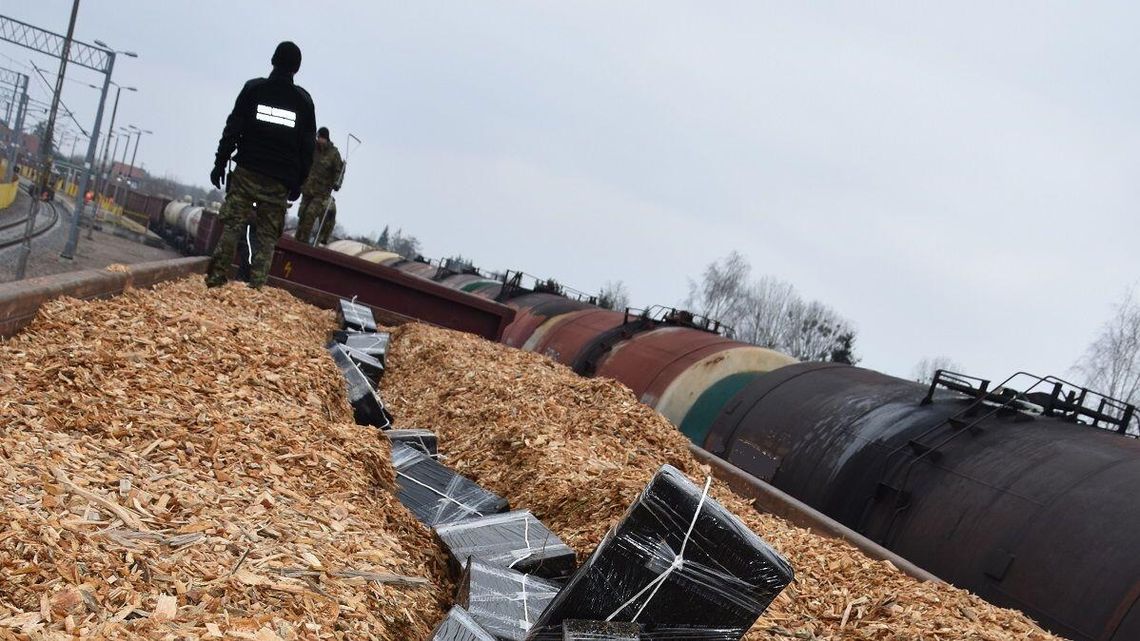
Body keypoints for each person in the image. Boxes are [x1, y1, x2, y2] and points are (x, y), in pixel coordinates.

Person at [205, 41, 317, 288]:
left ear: (272, 61)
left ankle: (215, 281)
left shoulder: (253, 89)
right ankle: (255, 289)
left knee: (233, 227)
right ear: (296, 69)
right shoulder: (304, 102)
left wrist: (220, 163)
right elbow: (307, 149)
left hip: (247, 173)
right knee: (266, 238)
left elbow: (232, 130)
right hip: (278, 181)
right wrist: (299, 182)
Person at [294, 126, 343, 244]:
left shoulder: (334, 154)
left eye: (320, 137)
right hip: (307, 189)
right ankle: (297, 240)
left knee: (310, 215)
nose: (318, 140)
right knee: (302, 215)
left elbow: (339, 171)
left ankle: (303, 242)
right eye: (318, 137)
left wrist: (337, 183)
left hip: (321, 193)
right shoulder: (313, 149)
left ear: (325, 138)